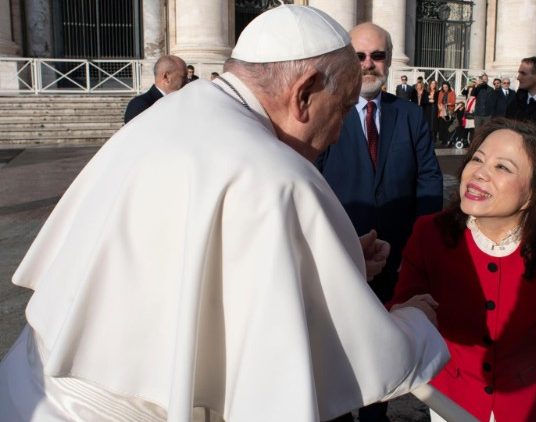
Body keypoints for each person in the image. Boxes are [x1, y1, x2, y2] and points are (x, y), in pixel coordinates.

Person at [0, 6, 449, 421]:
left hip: (24, 387)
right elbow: (299, 362)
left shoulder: (173, 112)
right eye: (341, 109)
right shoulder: (277, 174)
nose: (336, 135)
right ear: (305, 91)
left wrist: (336, 259)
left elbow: (199, 268)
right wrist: (412, 325)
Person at [390, 118, 536, 422]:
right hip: (453, 405)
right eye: (477, 159)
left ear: (533, 193)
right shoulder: (430, 234)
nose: (479, 173)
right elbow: (404, 315)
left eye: (502, 167)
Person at [314, 22, 444, 421]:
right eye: (359, 56)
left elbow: (429, 180)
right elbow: (309, 181)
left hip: (396, 259)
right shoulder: (324, 112)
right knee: (334, 350)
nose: (369, 65)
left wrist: (417, 250)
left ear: (388, 59)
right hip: (339, 258)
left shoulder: (408, 115)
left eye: (378, 56)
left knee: (381, 349)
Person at [123, 55, 187, 123]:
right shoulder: (140, 105)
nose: (187, 81)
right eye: (183, 77)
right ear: (166, 77)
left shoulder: (182, 102)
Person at [437, 81, 456, 145]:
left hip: (449, 111)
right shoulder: (440, 93)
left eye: (446, 87)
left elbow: (453, 102)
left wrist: (448, 104)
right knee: (442, 126)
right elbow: (439, 101)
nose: (445, 88)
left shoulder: (452, 93)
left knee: (448, 126)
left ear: (448, 87)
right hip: (442, 110)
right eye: (443, 87)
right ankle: (443, 140)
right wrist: (440, 107)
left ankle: (448, 139)